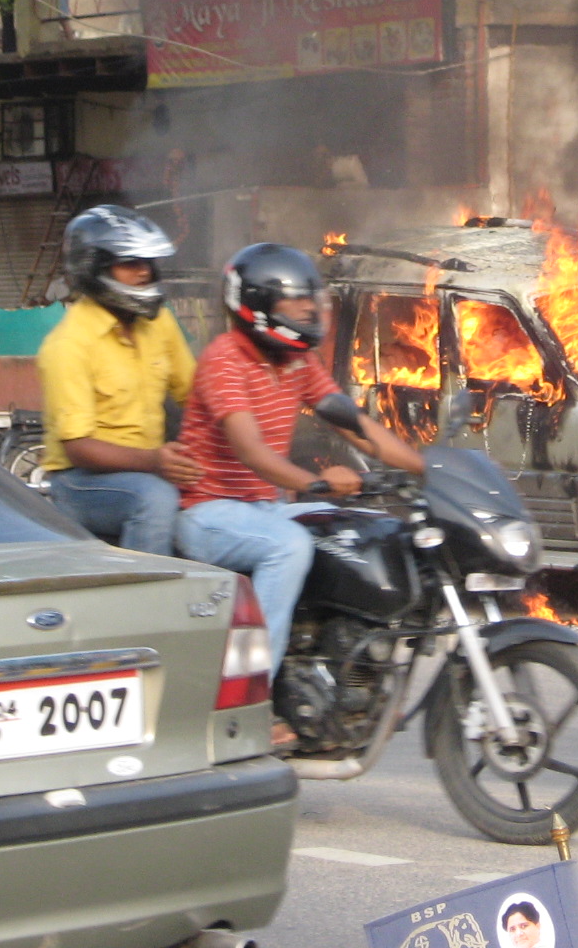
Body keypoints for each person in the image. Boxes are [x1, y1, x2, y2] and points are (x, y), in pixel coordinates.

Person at [174, 243, 423, 676]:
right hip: (209, 513)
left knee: (368, 531)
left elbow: (357, 427)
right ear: (258, 306)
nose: (309, 308)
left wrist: (428, 467)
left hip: (267, 509)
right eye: (296, 299)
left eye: (311, 298)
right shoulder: (225, 360)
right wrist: (316, 483)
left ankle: (343, 670)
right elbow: (250, 450)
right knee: (288, 546)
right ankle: (252, 687)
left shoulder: (297, 360)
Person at [36, 206, 197, 556]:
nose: (144, 272)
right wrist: (155, 461)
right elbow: (79, 448)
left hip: (150, 468)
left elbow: (195, 396)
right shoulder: (68, 344)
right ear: (95, 268)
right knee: (155, 498)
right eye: (130, 263)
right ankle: (145, 590)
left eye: (147, 262)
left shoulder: (159, 322)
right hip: (80, 482)